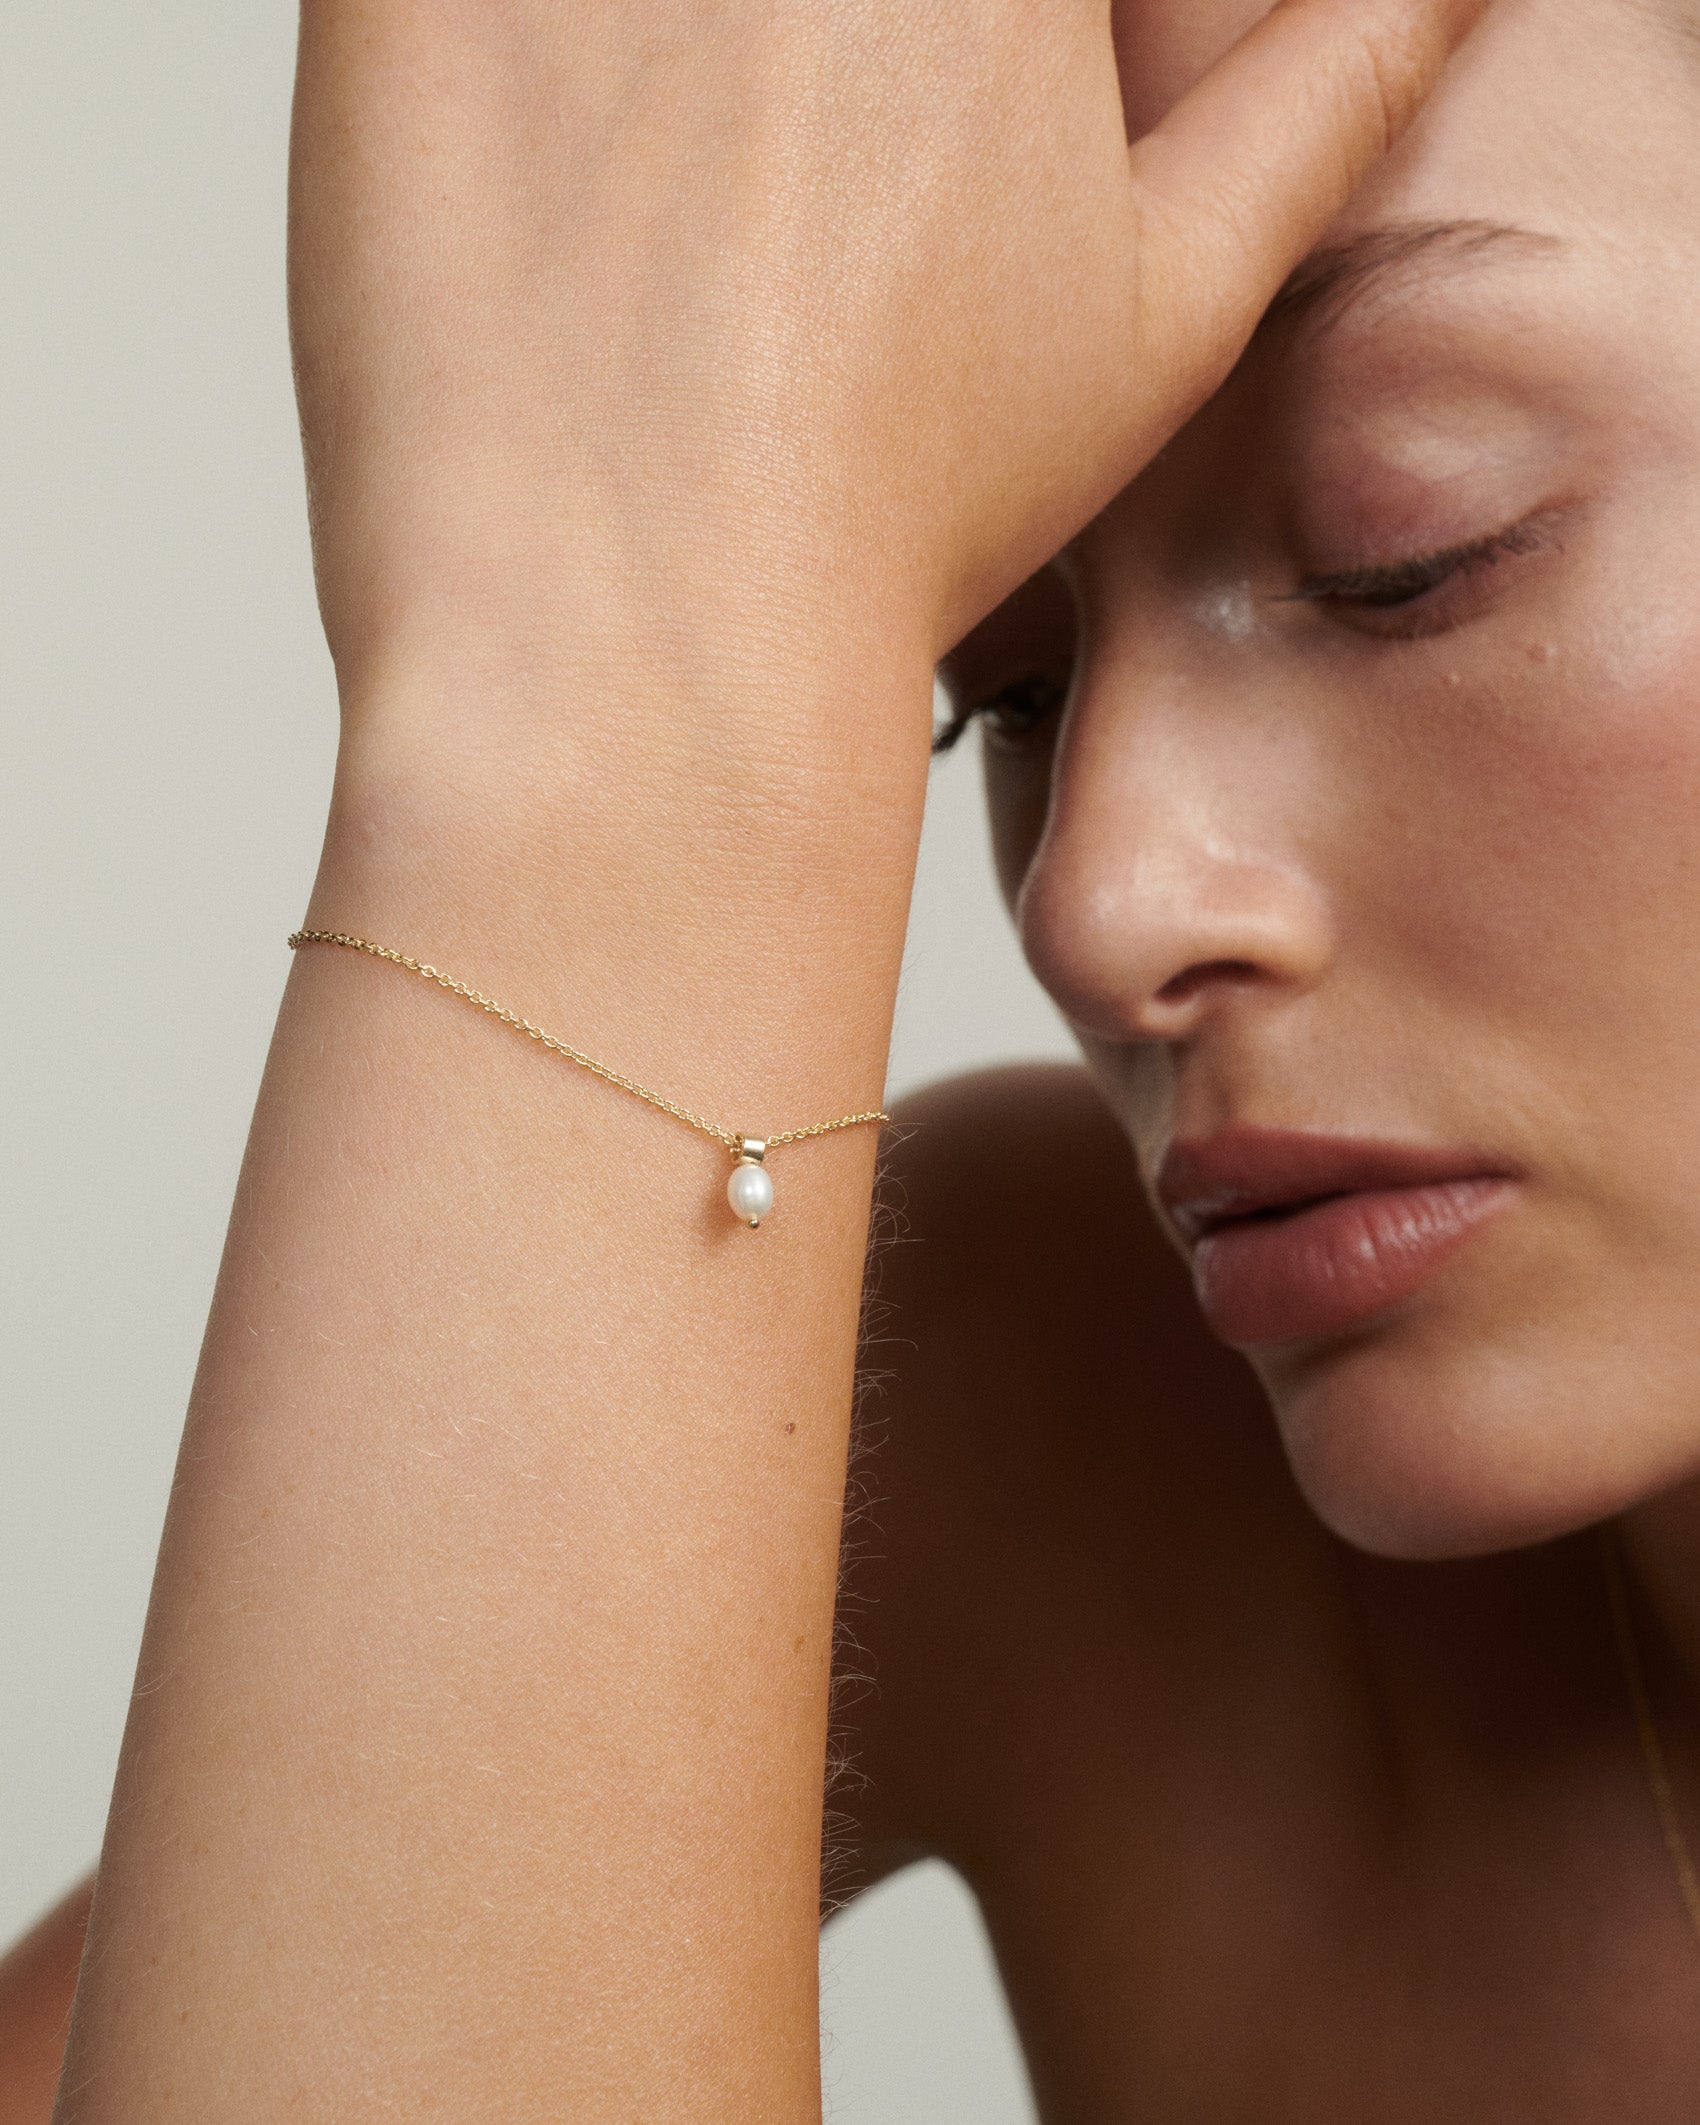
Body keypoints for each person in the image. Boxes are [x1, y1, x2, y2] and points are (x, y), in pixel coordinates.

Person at [43, 0, 1700, 2115]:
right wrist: (583, 727)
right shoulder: (1052, 1421)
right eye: (1001, 688)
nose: (1086, 904)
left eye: (1403, 552)